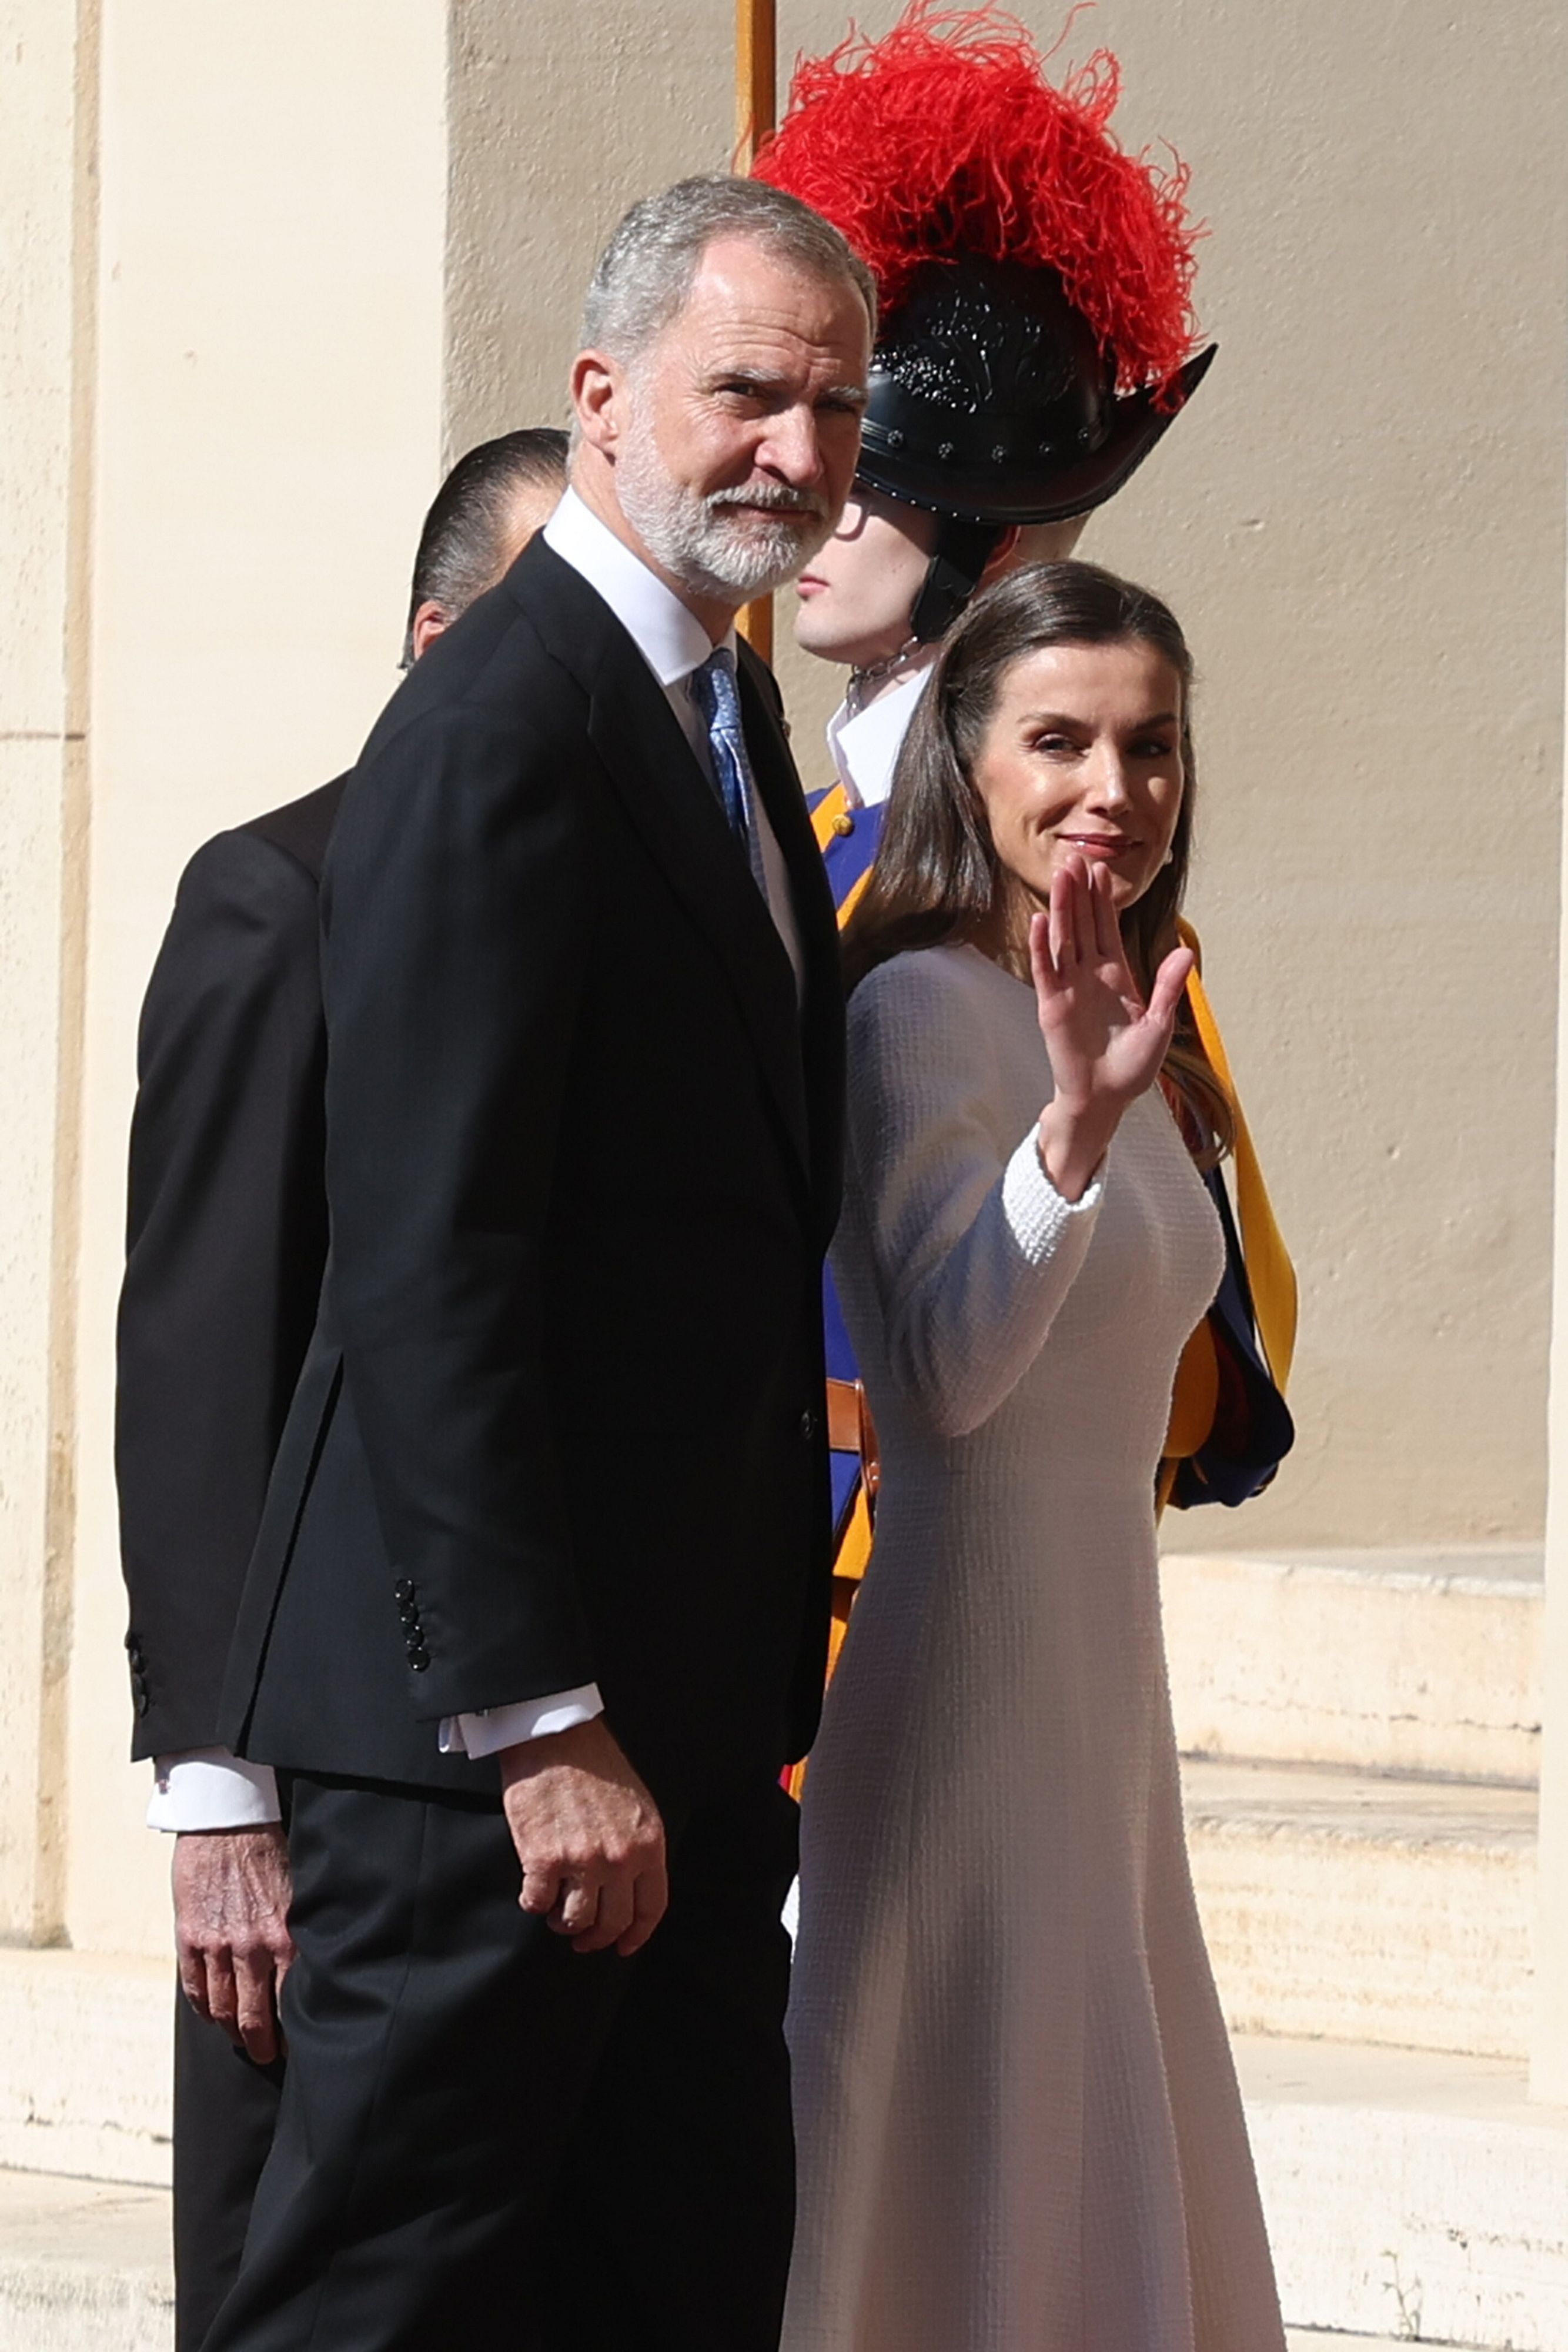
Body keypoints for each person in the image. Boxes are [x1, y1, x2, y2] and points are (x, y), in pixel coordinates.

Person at [205, 174, 872, 2351]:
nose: (796, 451)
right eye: (744, 395)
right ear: (602, 400)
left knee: (670, 2289)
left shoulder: (712, 711)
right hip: (491, 1762)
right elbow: (430, 1262)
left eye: (833, 409)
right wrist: (542, 1723)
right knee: (379, 2311)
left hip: (672, 1730)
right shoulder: (504, 725)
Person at [783, 560, 1286, 2350]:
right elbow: (944, 1377)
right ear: (963, 759)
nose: (1113, 790)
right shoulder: (910, 1009)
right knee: (953, 2190)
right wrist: (1064, 1132)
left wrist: (1098, 1095)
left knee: (1088, 2156)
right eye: (1058, 739)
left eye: (1150, 747)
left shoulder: (1126, 1014)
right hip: (959, 1685)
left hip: (1099, 1693)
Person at [116, 425, 569, 2352]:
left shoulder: (635, 910)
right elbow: (207, 1354)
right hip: (313, 1777)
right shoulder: (276, 893)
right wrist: (219, 1799)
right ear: (432, 635)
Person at [757, 4, 1293, 1621]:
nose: (806, 512)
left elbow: (1206, 1332)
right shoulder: (801, 808)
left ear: (984, 544)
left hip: (927, 1575)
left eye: (865, 489)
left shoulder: (1051, 865)